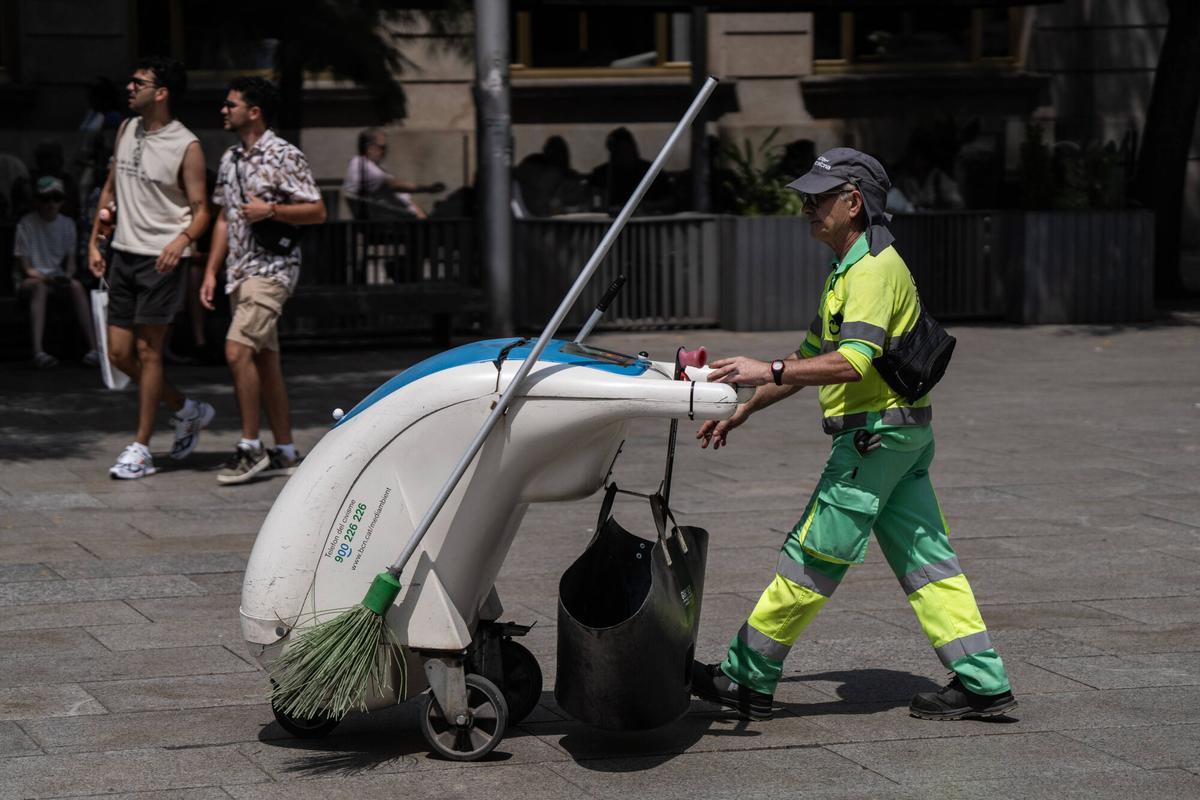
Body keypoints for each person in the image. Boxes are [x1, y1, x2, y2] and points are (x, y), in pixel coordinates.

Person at [690, 147, 1015, 722]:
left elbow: (851, 362)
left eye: (817, 199)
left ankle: (746, 677)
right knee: (928, 562)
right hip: (900, 437)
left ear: (854, 203)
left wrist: (766, 370)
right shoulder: (853, 268)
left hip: (873, 442)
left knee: (811, 556)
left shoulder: (871, 271)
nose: (807, 209)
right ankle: (983, 681)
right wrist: (747, 406)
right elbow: (807, 358)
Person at [87, 56, 214, 480]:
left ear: (161, 93)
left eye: (138, 82)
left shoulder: (187, 145)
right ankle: (185, 408)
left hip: (161, 258)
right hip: (122, 253)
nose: (129, 87)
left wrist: (181, 241)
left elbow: (201, 211)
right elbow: (110, 190)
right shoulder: (126, 129)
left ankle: (141, 448)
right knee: (119, 354)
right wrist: (95, 242)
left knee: (148, 351)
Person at [200, 76, 326, 485]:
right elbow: (224, 217)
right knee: (264, 361)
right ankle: (285, 449)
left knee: (237, 350)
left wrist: (270, 211)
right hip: (239, 272)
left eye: (231, 104)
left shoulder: (284, 154)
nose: (223, 110)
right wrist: (211, 271)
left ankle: (250, 447)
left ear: (254, 112)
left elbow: (317, 210)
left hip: (272, 269)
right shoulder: (230, 158)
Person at [13, 176, 99, 368]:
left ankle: (93, 348)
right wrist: (47, 278)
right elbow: (26, 268)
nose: (51, 204)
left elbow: (71, 264)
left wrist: (66, 277)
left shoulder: (67, 224)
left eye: (56, 198)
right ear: (37, 201)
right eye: (46, 199)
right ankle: (38, 351)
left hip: (56, 277)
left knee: (76, 286)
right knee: (40, 288)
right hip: (32, 279)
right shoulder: (25, 224)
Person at [342, 128, 443, 220]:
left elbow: (399, 195)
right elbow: (397, 186)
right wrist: (428, 188)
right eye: (383, 147)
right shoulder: (363, 167)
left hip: (404, 220)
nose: (385, 152)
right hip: (400, 223)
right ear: (370, 148)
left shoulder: (367, 166)